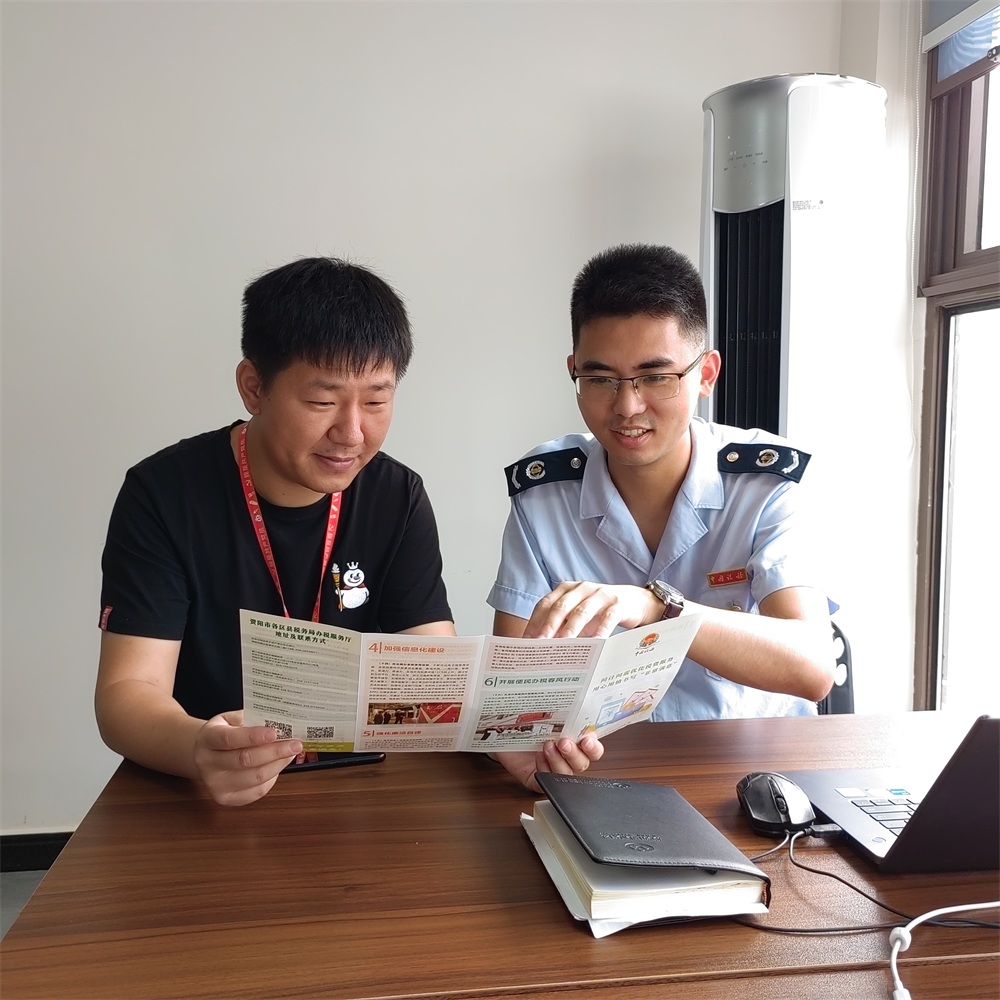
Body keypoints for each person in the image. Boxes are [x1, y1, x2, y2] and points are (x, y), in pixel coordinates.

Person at [95, 257, 457, 807]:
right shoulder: (164, 495)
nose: (351, 432)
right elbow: (128, 692)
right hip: (204, 793)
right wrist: (200, 749)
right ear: (253, 387)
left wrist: (501, 734)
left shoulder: (396, 495)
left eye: (377, 401)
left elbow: (430, 664)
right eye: (321, 402)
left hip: (357, 788)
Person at [487, 244, 835, 782]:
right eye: (601, 379)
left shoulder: (764, 484)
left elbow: (812, 668)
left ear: (706, 373)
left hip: (753, 771)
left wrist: (659, 609)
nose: (627, 406)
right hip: (604, 773)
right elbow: (512, 688)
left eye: (656, 377)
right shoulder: (544, 494)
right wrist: (522, 748)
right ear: (574, 372)